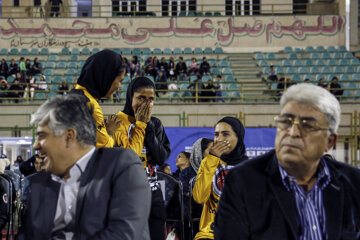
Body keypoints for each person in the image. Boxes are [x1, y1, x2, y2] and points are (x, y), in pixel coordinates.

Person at [215, 84, 360, 240]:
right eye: (286, 121)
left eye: (307, 125)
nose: (292, 132)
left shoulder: (353, 183)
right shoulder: (242, 181)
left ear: (329, 141)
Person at [18, 94, 151, 239]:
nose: (36, 145)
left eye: (42, 136)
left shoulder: (122, 166)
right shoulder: (40, 183)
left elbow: (123, 234)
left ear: (69, 136)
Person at [113, 76, 171, 240]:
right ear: (130, 96)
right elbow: (127, 158)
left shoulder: (156, 124)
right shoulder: (116, 122)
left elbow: (161, 157)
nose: (146, 103)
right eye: (141, 98)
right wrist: (139, 125)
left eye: (151, 99)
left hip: (153, 194)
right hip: (124, 196)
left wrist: (147, 127)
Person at [192, 116, 248, 240]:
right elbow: (199, 198)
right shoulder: (208, 163)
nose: (219, 139)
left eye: (225, 134)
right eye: (216, 135)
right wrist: (212, 159)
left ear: (238, 137)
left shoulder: (250, 168)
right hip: (210, 233)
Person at [70, 49, 125, 148]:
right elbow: (104, 152)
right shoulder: (91, 107)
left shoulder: (71, 96)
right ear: (107, 77)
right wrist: (110, 133)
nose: (119, 86)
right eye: (120, 80)